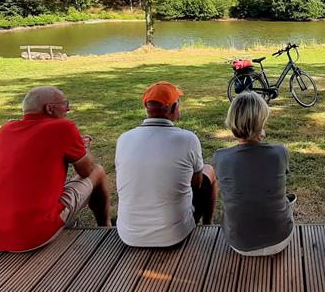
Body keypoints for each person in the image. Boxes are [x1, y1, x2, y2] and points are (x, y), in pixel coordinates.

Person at [0, 86, 110, 252]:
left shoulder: (5, 130)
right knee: (98, 171)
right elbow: (86, 171)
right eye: (65, 104)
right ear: (49, 109)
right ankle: (106, 228)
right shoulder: (64, 128)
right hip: (32, 235)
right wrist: (83, 149)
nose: (68, 109)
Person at [115, 81, 218, 247]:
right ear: (173, 108)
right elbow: (197, 183)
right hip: (174, 235)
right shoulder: (187, 138)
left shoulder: (124, 138)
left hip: (129, 234)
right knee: (209, 170)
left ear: (147, 108)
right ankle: (207, 224)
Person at [213, 92, 295, 256]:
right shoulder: (279, 152)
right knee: (288, 199)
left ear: (232, 121)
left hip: (240, 244)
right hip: (280, 239)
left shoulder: (220, 157)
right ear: (262, 121)